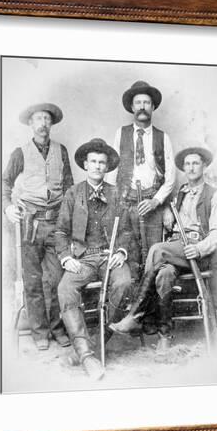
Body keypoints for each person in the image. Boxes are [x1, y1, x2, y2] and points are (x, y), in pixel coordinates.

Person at [110, 146, 217, 343]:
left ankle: (137, 315)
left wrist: (199, 248)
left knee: (157, 249)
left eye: (195, 163)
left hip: (196, 252)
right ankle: (164, 335)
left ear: (204, 166)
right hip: (176, 248)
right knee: (164, 274)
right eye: (187, 164)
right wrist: (167, 212)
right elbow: (173, 219)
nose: (191, 168)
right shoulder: (182, 193)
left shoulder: (214, 195)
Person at [55, 138, 133, 380]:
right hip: (84, 258)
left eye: (102, 162)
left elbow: (127, 231)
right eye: (93, 162)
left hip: (109, 256)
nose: (98, 166)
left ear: (107, 166)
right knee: (65, 289)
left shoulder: (116, 193)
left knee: (124, 283)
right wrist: (66, 257)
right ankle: (87, 356)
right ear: (85, 165)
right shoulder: (73, 193)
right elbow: (60, 231)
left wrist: (121, 252)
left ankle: (97, 344)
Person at [2, 103, 73, 350]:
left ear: (51, 124)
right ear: (31, 124)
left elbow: (69, 188)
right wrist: (7, 206)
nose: (43, 123)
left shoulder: (60, 151)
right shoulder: (19, 153)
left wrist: (67, 218)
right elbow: (4, 183)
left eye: (47, 119)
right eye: (38, 119)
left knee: (55, 279)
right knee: (32, 280)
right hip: (30, 223)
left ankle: (57, 328)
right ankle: (39, 332)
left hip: (55, 223)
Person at [108, 80, 176, 332]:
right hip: (126, 203)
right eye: (138, 103)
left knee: (153, 259)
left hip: (152, 204)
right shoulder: (121, 133)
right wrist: (115, 203)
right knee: (132, 257)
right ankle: (131, 318)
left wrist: (157, 201)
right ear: (132, 107)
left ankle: (150, 319)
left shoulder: (162, 137)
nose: (142, 107)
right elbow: (112, 172)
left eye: (146, 102)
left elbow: (170, 177)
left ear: (153, 107)